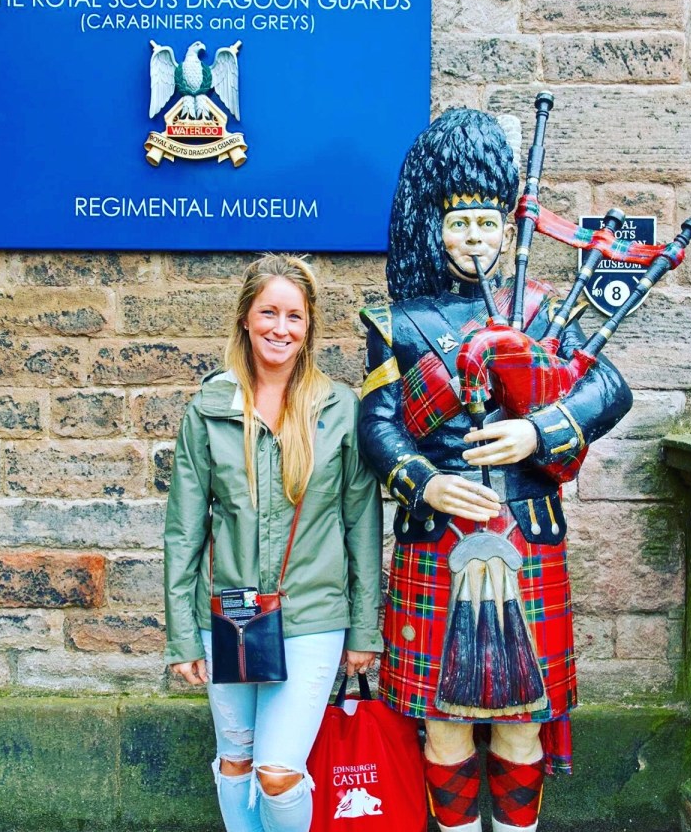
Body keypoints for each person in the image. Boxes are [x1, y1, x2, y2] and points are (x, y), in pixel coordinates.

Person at [358, 109, 633, 832]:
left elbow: (608, 389)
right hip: (436, 535)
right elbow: (377, 425)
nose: (474, 237)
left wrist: (534, 431)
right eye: (460, 224)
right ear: (436, 230)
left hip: (526, 533)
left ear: (509, 232)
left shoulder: (540, 314)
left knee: (521, 727)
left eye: (487, 223)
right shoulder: (398, 323)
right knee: (444, 729)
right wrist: (422, 480)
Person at [164, 254, 383, 832]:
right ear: (245, 317)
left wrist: (365, 628)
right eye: (268, 313)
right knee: (236, 763)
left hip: (312, 615)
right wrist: (182, 634)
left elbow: (361, 524)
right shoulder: (209, 409)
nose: (280, 328)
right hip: (229, 619)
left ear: (308, 326)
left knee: (278, 772)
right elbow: (184, 531)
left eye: (294, 316)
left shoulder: (339, 409)